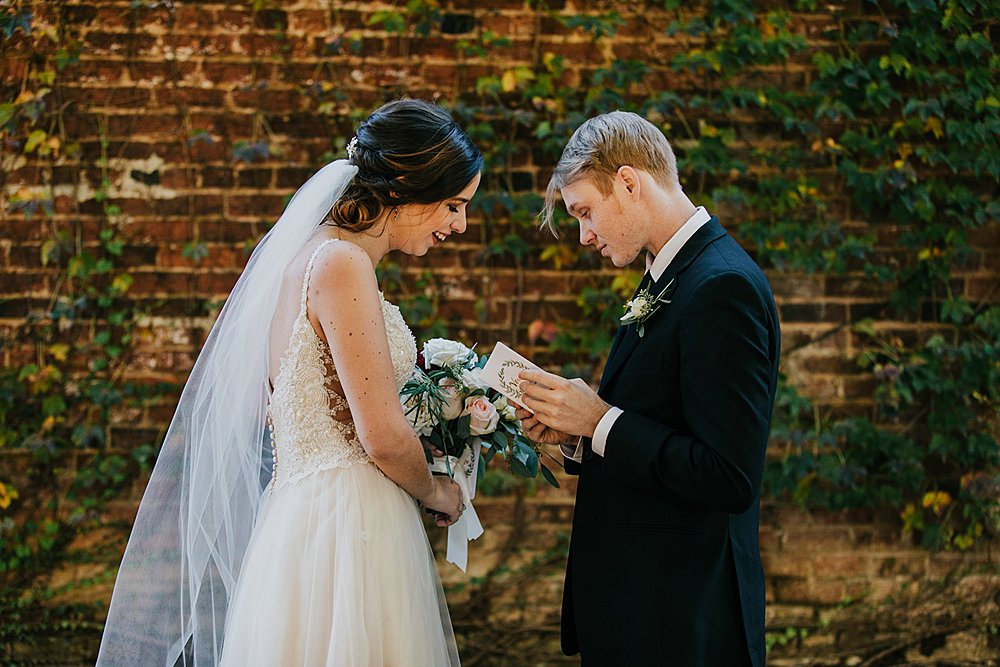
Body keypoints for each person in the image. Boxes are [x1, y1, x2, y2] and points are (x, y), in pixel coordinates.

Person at [96, 99, 483, 666]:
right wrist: (439, 491)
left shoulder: (307, 261)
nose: (460, 224)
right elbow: (380, 437)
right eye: (453, 204)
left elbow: (300, 408)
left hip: (306, 519)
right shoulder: (341, 264)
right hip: (347, 527)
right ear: (403, 186)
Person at [515, 111, 780, 666]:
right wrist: (575, 438)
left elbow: (728, 476)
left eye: (585, 212)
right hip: (641, 610)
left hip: (682, 622)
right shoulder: (669, 274)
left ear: (630, 183)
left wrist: (599, 421)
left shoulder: (720, 287)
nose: (584, 235)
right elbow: (666, 423)